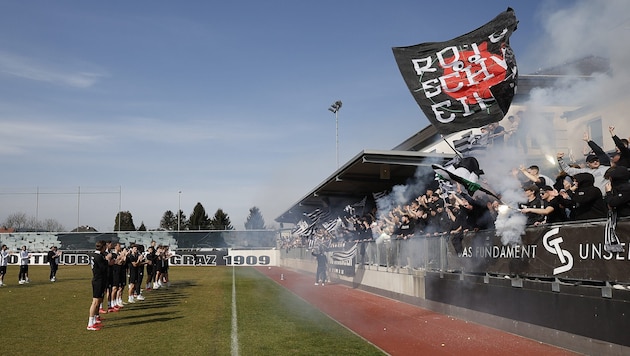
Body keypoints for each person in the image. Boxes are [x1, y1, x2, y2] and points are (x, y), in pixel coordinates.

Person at [87, 240, 113, 331]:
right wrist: (108, 260)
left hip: (100, 280)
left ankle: (94, 320)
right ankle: (90, 323)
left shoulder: (97, 255)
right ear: (102, 247)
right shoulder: (98, 257)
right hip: (98, 280)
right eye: (105, 247)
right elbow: (104, 267)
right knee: (95, 302)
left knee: (98, 302)